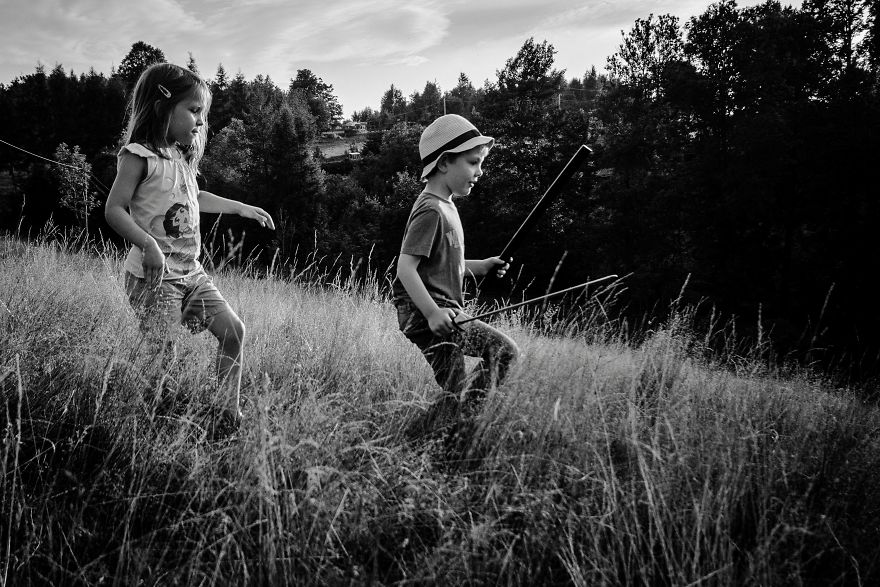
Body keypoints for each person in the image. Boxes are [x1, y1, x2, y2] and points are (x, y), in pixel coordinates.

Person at [105, 62, 275, 437]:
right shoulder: (138, 155)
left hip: (190, 272)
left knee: (234, 331)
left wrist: (241, 207)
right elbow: (113, 209)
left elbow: (195, 195)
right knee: (162, 356)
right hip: (153, 277)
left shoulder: (181, 158)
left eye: (203, 113)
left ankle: (226, 413)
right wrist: (147, 243)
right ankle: (149, 429)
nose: (201, 122)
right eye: (194, 110)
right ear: (163, 106)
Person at [392, 114, 520, 435]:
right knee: (505, 352)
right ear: (445, 162)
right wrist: (432, 312)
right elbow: (405, 268)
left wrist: (483, 265)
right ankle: (451, 433)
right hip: (427, 314)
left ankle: (438, 435)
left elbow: (449, 264)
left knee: (455, 388)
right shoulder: (430, 210)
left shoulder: (447, 205)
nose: (480, 172)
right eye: (473, 162)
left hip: (443, 312)